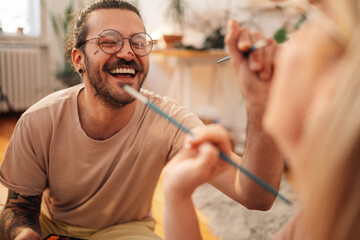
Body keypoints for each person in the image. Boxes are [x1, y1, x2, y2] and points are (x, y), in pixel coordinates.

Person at [0, 0, 283, 239]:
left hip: (129, 231)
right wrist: (26, 234)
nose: (127, 52)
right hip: (55, 227)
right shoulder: (38, 120)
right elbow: (19, 207)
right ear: (78, 59)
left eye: (138, 42)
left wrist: (261, 105)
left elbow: (256, 196)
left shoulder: (170, 119)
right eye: (109, 42)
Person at [163, 0, 360, 239]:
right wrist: (177, 195)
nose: (290, 40)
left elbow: (256, 196)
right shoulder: (316, 221)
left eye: (315, 18)